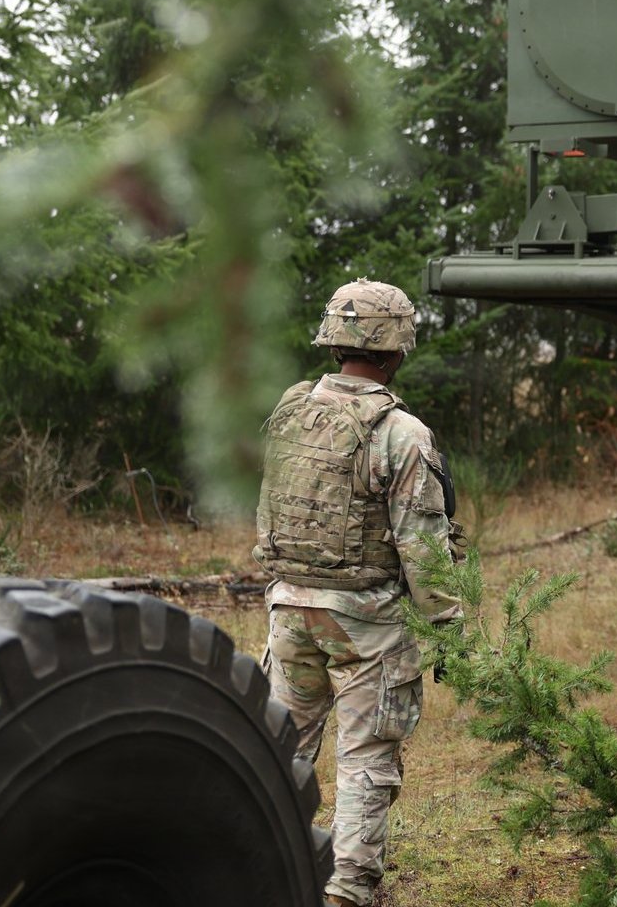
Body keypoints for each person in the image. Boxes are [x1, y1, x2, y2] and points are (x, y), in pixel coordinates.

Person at [255, 279, 465, 907]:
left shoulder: (291, 410)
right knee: (367, 757)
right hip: (366, 623)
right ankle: (347, 891)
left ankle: (261, 872)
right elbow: (422, 549)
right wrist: (448, 628)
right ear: (397, 348)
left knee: (278, 750)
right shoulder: (402, 433)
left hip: (290, 608)